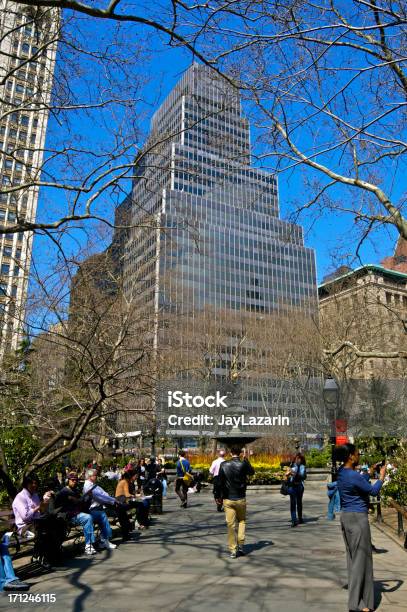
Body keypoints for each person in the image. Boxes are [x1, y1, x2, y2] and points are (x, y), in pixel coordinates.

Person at [335, 443, 386, 612]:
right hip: (358, 519)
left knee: (353, 560)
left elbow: (357, 483)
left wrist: (368, 473)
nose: (359, 456)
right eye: (357, 453)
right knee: (361, 561)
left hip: (346, 517)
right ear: (350, 456)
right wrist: (381, 478)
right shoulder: (353, 475)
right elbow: (372, 491)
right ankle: (356, 604)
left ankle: (361, 602)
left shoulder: (342, 472)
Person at [12, 475, 65, 568]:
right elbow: (25, 517)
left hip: (37, 523)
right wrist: (38, 507)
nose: (34, 485)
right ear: (26, 484)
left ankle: (52, 555)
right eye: (31, 483)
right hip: (25, 527)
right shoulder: (20, 497)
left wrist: (45, 502)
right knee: (47, 530)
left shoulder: (35, 495)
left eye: (36, 483)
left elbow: (41, 511)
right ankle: (42, 556)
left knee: (58, 524)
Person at [218, 445, 254, 558]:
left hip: (228, 498)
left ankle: (233, 550)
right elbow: (252, 472)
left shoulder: (224, 464)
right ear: (240, 453)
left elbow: (220, 482)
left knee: (230, 525)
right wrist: (246, 460)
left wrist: (218, 496)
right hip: (240, 497)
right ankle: (241, 546)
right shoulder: (243, 463)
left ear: (230, 453)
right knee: (242, 521)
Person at [55, 472, 98, 555]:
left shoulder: (76, 491)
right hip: (69, 516)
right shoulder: (63, 492)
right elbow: (58, 507)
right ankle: (88, 546)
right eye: (72, 480)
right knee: (88, 517)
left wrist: (89, 497)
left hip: (78, 514)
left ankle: (102, 540)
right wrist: (70, 500)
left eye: (76, 480)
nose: (74, 481)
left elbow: (83, 505)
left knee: (98, 515)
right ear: (68, 480)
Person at [83, 469, 121, 549]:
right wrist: (112, 501)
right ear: (90, 476)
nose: (96, 477)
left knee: (118, 509)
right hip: (92, 510)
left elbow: (104, 494)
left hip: (100, 507)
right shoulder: (88, 486)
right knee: (102, 516)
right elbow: (99, 498)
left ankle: (104, 539)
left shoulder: (94, 485)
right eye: (95, 475)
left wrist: (113, 500)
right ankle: (104, 540)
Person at [285, 453, 307, 527]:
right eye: (297, 458)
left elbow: (303, 477)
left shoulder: (302, 467)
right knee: (293, 503)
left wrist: (294, 473)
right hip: (292, 486)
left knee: (299, 502)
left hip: (299, 486)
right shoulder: (291, 466)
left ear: (302, 459)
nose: (298, 460)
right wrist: (287, 475)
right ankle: (294, 520)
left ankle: (300, 518)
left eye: (299, 459)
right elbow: (287, 476)